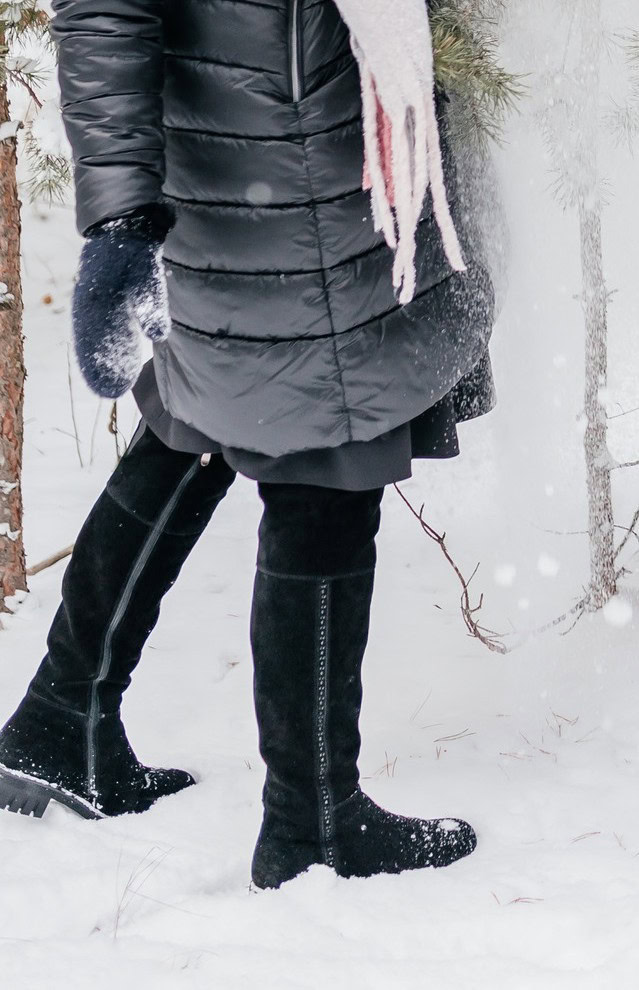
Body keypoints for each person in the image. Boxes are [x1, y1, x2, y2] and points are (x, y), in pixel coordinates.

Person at [0, 0, 496, 889]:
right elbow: (104, 13)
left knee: (196, 424)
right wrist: (118, 220)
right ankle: (313, 823)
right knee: (324, 447)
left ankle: (60, 720)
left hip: (296, 150)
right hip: (279, 162)